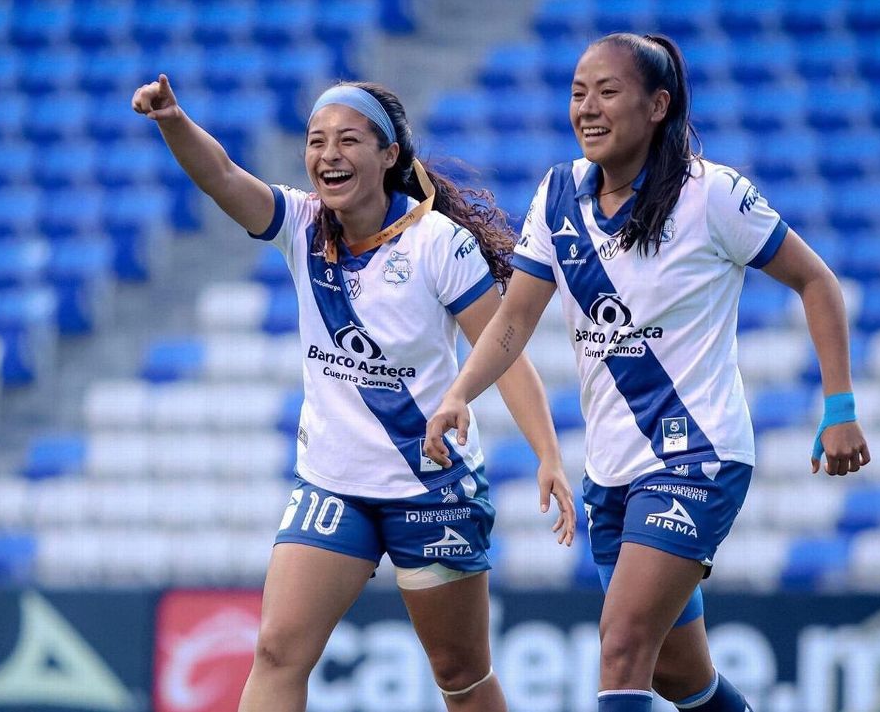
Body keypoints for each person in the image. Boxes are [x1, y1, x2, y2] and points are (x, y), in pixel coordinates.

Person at [425, 33, 871, 712]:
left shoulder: (712, 195)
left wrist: (838, 405)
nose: (588, 108)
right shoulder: (558, 197)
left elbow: (816, 281)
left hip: (697, 456)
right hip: (611, 472)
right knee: (677, 674)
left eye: (607, 91)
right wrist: (460, 391)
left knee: (623, 640)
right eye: (578, 93)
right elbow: (512, 320)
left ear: (657, 104)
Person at [132, 74, 576, 712]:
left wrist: (548, 455)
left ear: (389, 153)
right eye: (316, 141)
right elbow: (224, 177)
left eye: (347, 140)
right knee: (278, 652)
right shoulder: (302, 224)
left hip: (431, 486)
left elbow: (504, 351)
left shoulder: (438, 244)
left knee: (460, 674)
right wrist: (174, 120)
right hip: (333, 484)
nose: (327, 155)